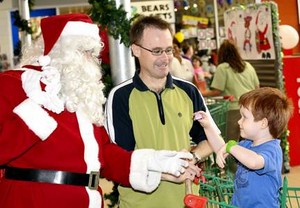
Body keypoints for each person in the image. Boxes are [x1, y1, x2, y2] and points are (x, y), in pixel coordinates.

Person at [0, 14, 198, 208]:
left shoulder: (82, 94)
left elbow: (105, 155)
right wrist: (36, 111)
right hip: (33, 200)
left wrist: (157, 163)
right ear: (59, 52)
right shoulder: (19, 85)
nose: (91, 60)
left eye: (93, 53)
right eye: (83, 51)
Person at [105, 15, 222, 208]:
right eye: (157, 51)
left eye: (168, 50)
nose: (165, 58)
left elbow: (210, 138)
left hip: (187, 201)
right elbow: (121, 160)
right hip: (139, 204)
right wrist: (169, 174)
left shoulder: (188, 91)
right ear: (135, 50)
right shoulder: (120, 97)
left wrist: (192, 158)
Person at [195, 87, 294, 208]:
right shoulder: (247, 144)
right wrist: (208, 126)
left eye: (244, 117)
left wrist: (231, 146)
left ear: (263, 123)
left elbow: (254, 162)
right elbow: (221, 149)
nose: (239, 122)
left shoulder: (272, 150)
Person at [202, 39, 260, 141]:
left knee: (231, 143)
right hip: (251, 110)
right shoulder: (248, 66)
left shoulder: (223, 68)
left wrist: (201, 92)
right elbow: (257, 88)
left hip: (233, 110)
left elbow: (217, 91)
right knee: (249, 143)